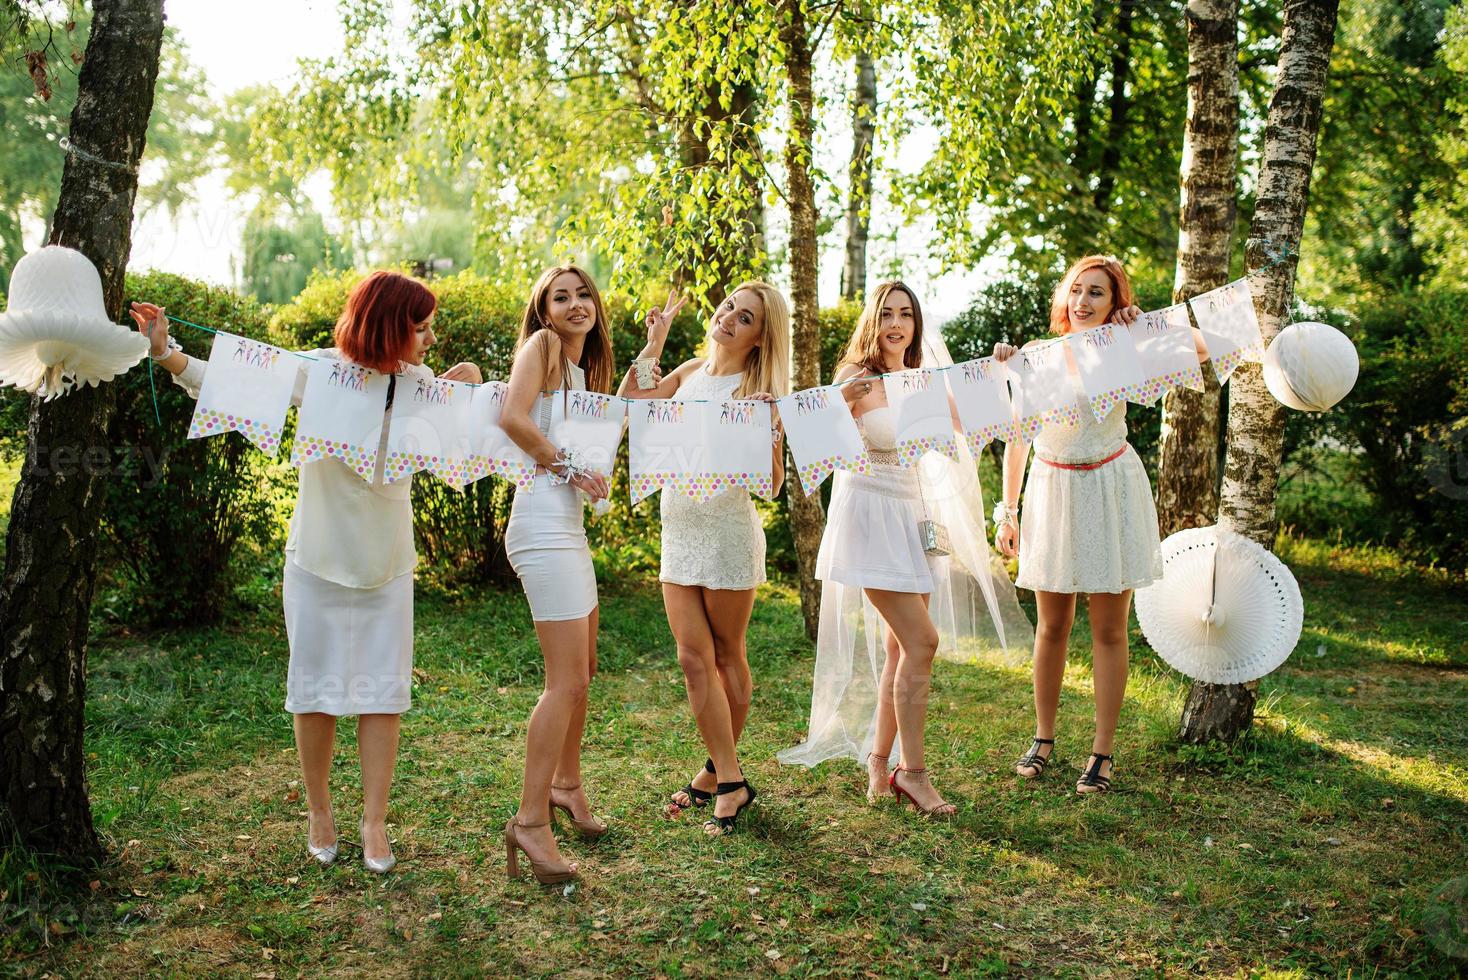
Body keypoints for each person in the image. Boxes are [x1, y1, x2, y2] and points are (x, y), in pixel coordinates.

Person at [130, 271, 482, 872]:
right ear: (387, 327)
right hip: (318, 558)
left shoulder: (422, 384)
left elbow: (477, 426)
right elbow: (235, 384)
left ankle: (375, 822)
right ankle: (320, 810)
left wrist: (466, 386)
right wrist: (166, 353)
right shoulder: (322, 369)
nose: (430, 339)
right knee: (314, 691)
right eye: (420, 328)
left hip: (388, 563)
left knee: (383, 696)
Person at [778, 281, 1031, 816]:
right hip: (869, 518)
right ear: (873, 321)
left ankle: (879, 762)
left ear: (916, 325)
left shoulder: (921, 382)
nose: (896, 323)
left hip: (912, 518)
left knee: (900, 649)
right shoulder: (856, 379)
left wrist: (1001, 370)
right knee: (923, 642)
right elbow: (815, 443)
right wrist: (835, 403)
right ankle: (913, 773)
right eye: (887, 313)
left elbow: (982, 420)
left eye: (906, 315)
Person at [992, 255, 1209, 794]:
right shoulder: (1036, 357)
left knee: (1109, 629)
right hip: (1052, 488)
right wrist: (1008, 510)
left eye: (1097, 294)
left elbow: (1202, 350)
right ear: (1063, 299)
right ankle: (1043, 739)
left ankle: (1102, 753)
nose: (1083, 301)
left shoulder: (1122, 349)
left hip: (1110, 487)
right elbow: (1018, 436)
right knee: (1053, 625)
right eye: (1076, 291)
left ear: (1114, 304)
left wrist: (1144, 333)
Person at [617, 283, 791, 835]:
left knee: (725, 655)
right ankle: (730, 777)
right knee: (692, 658)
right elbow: (632, 406)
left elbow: (773, 485)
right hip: (680, 528)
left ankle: (720, 776)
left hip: (727, 533)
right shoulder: (691, 370)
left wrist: (772, 433)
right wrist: (655, 344)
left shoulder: (758, 390)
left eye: (745, 318)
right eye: (727, 309)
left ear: (761, 336)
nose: (729, 319)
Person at [497, 265, 615, 883]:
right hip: (542, 525)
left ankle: (566, 786)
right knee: (564, 681)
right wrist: (568, 467)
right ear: (544, 312)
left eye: (583, 294)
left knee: (583, 671)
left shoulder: (579, 373)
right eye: (560, 297)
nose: (575, 304)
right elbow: (513, 419)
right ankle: (529, 821)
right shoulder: (541, 348)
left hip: (568, 527)